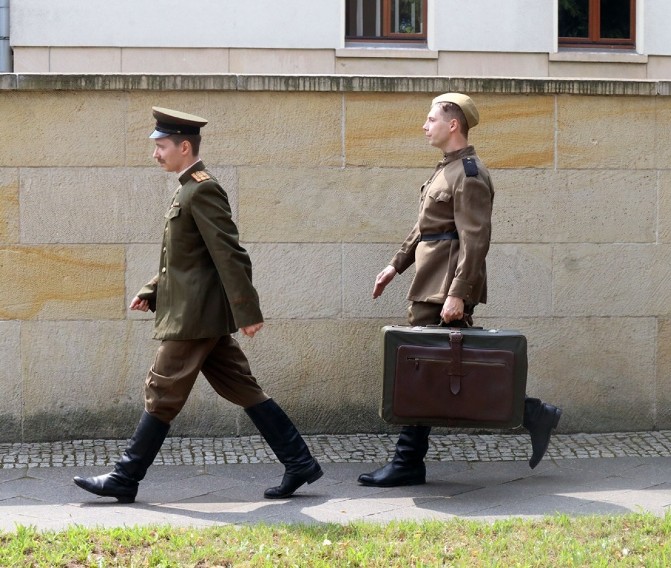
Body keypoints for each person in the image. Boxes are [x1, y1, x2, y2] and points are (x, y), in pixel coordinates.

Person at [73, 107, 323, 503]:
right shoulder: (186, 187)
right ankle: (300, 462)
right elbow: (186, 258)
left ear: (184, 146)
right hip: (197, 312)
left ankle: (125, 476)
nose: (155, 154)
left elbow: (229, 254)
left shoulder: (202, 188)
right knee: (243, 387)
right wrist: (152, 290)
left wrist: (248, 312)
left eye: (161, 146)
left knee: (162, 389)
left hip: (193, 317)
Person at [359, 93, 563, 488]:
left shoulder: (469, 173)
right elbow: (424, 227)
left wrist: (458, 292)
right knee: (441, 369)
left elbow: (475, 239)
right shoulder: (446, 171)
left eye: (431, 118)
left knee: (422, 369)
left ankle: (407, 462)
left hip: (444, 284)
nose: (425, 125)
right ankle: (532, 413)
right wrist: (394, 266)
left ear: (453, 125)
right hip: (429, 278)